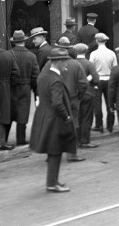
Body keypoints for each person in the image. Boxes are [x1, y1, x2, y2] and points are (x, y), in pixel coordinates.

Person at [29, 48, 77, 193]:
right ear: (59, 62)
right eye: (65, 62)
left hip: (43, 115)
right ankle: (52, 184)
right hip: (54, 119)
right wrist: (66, 116)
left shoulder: (43, 76)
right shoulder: (55, 79)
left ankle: (53, 180)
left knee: (52, 151)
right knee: (55, 151)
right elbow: (57, 103)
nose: (66, 66)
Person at [54, 38, 88, 162]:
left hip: (55, 98)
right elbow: (84, 84)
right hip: (72, 99)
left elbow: (43, 80)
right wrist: (79, 96)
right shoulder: (75, 64)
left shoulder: (50, 64)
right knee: (73, 124)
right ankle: (72, 153)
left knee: (55, 124)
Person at [7, 30, 39, 145]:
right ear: (24, 41)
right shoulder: (31, 56)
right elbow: (36, 75)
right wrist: (35, 88)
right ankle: (20, 139)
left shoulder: (9, 54)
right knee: (23, 113)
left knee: (9, 113)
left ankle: (4, 139)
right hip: (26, 87)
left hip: (11, 87)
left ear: (14, 42)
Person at [89, 32, 117, 133]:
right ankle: (110, 125)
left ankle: (99, 125)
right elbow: (115, 68)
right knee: (110, 103)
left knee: (97, 103)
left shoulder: (93, 54)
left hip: (97, 80)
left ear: (97, 41)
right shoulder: (112, 53)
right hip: (109, 79)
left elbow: (91, 68)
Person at [74, 43, 100, 148]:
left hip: (75, 94)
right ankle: (85, 140)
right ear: (86, 51)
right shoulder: (89, 64)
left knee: (77, 118)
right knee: (87, 118)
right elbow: (97, 80)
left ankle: (76, 141)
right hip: (88, 93)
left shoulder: (71, 63)